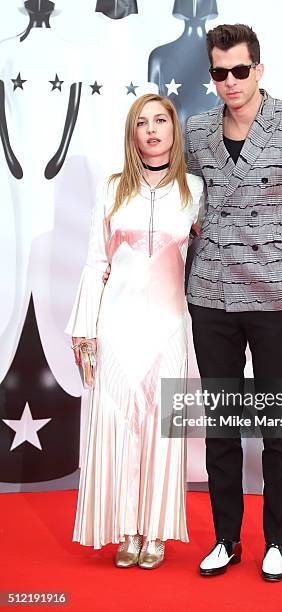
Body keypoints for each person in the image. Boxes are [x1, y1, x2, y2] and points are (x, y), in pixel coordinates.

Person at [185, 24, 282, 581]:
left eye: (239, 71)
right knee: (220, 425)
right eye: (219, 73)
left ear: (259, 70)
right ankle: (226, 537)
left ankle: (277, 541)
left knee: (276, 427)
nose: (229, 82)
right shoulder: (196, 132)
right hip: (212, 299)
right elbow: (179, 202)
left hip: (275, 302)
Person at [66, 93, 204, 569]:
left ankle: (157, 531)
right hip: (117, 325)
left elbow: (206, 263)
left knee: (164, 431)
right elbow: (95, 262)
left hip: (168, 326)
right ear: (132, 133)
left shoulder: (195, 189)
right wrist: (84, 330)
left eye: (160, 120)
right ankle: (125, 529)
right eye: (141, 122)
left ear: (173, 129)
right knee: (117, 424)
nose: (151, 130)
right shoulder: (111, 189)